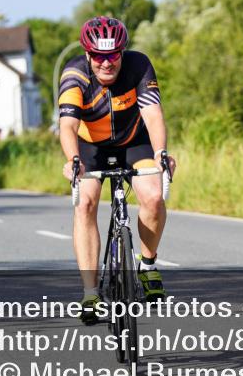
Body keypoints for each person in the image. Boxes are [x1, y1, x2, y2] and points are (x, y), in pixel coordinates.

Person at [58, 16, 176, 324]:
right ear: (88, 54)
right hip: (90, 147)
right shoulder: (75, 74)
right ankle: (90, 292)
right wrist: (73, 160)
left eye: (112, 55)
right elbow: (68, 125)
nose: (106, 63)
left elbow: (152, 114)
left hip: (133, 141)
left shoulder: (139, 66)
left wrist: (162, 152)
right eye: (98, 56)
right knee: (85, 203)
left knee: (152, 197)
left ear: (122, 52)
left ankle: (148, 266)